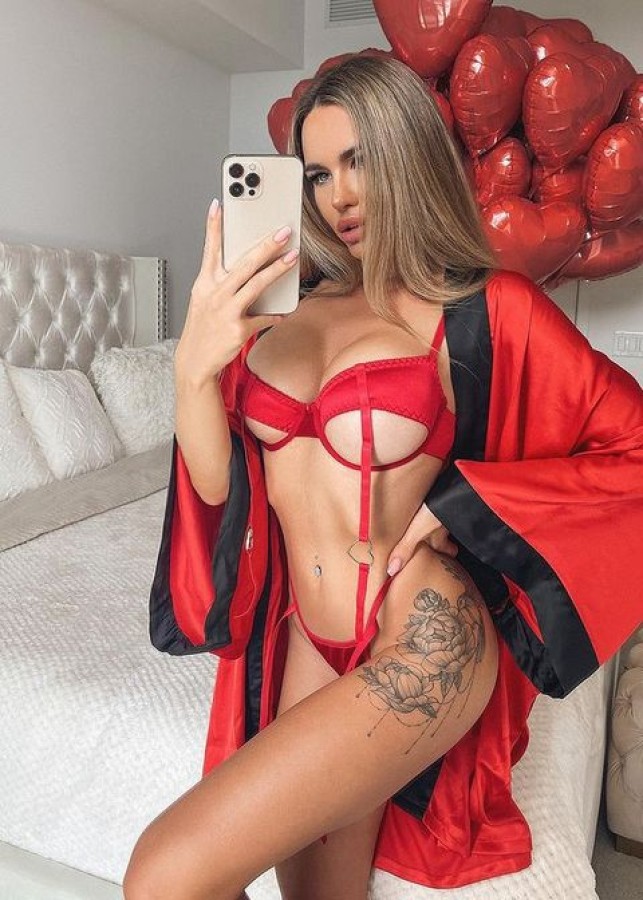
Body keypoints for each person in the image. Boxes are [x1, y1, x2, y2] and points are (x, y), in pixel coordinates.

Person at [125, 57, 643, 900]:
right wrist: (193, 370)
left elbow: (633, 448)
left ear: (407, 153)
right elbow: (219, 494)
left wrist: (465, 509)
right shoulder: (277, 316)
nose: (339, 196)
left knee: (164, 875)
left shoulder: (487, 307)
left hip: (423, 630)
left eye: (359, 160)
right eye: (318, 173)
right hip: (303, 636)